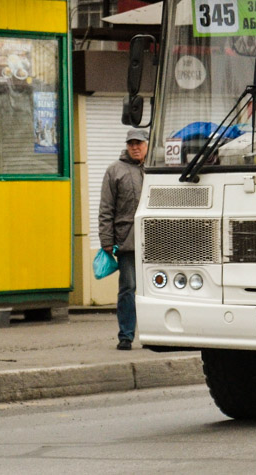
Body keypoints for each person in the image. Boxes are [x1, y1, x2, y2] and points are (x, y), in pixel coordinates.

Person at [99, 127, 147, 350]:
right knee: (128, 288)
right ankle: (126, 336)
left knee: (154, 290)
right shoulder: (114, 171)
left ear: (147, 144)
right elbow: (106, 208)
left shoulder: (156, 170)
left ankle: (153, 335)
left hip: (156, 242)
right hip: (127, 241)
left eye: (138, 143)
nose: (135, 147)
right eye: (131, 144)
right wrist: (106, 240)